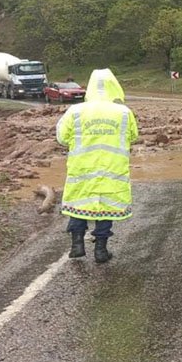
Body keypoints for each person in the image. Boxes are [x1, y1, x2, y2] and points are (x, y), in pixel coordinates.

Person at [56, 69, 138, 263]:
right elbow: (133, 136)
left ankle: (77, 245)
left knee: (79, 205)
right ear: (114, 86)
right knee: (105, 207)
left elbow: (61, 137)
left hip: (82, 170)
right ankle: (101, 250)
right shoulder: (124, 113)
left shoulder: (75, 111)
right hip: (112, 170)